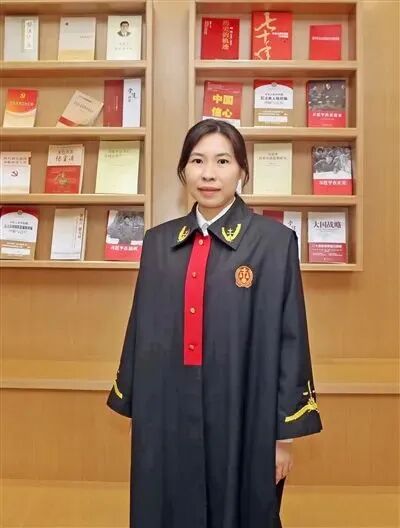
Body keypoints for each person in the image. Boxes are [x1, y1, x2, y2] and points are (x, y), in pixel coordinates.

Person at [107, 119, 323, 528]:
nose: (208, 174)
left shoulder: (275, 243)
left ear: (242, 169)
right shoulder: (157, 242)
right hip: (168, 411)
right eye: (197, 161)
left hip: (245, 412)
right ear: (183, 170)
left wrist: (284, 437)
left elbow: (291, 338)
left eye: (222, 161)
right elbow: (141, 329)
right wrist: (138, 405)